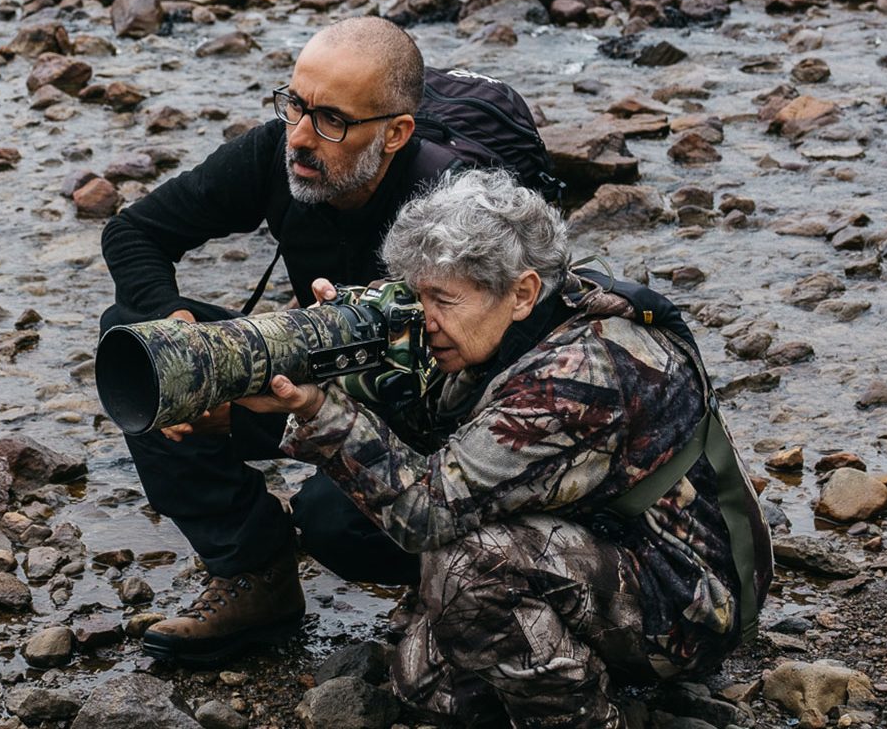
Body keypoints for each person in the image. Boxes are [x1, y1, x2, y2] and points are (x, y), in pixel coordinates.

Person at [238, 168, 773, 729]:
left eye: (442, 300)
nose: (426, 322)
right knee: (427, 688)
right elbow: (434, 427)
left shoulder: (578, 372)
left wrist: (317, 411)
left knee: (467, 567)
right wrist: (351, 348)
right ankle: (575, 666)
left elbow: (425, 511)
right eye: (417, 297)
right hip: (606, 542)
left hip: (690, 600)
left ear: (522, 292)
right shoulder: (525, 320)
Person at [100, 16, 461, 664]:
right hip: (317, 366)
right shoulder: (281, 149)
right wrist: (190, 348)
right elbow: (134, 233)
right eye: (293, 102)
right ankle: (252, 572)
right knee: (147, 350)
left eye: (330, 120)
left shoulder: (453, 205)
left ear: (396, 132)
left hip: (433, 421)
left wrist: (323, 414)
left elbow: (487, 385)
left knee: (336, 519)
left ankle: (459, 586)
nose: (299, 135)